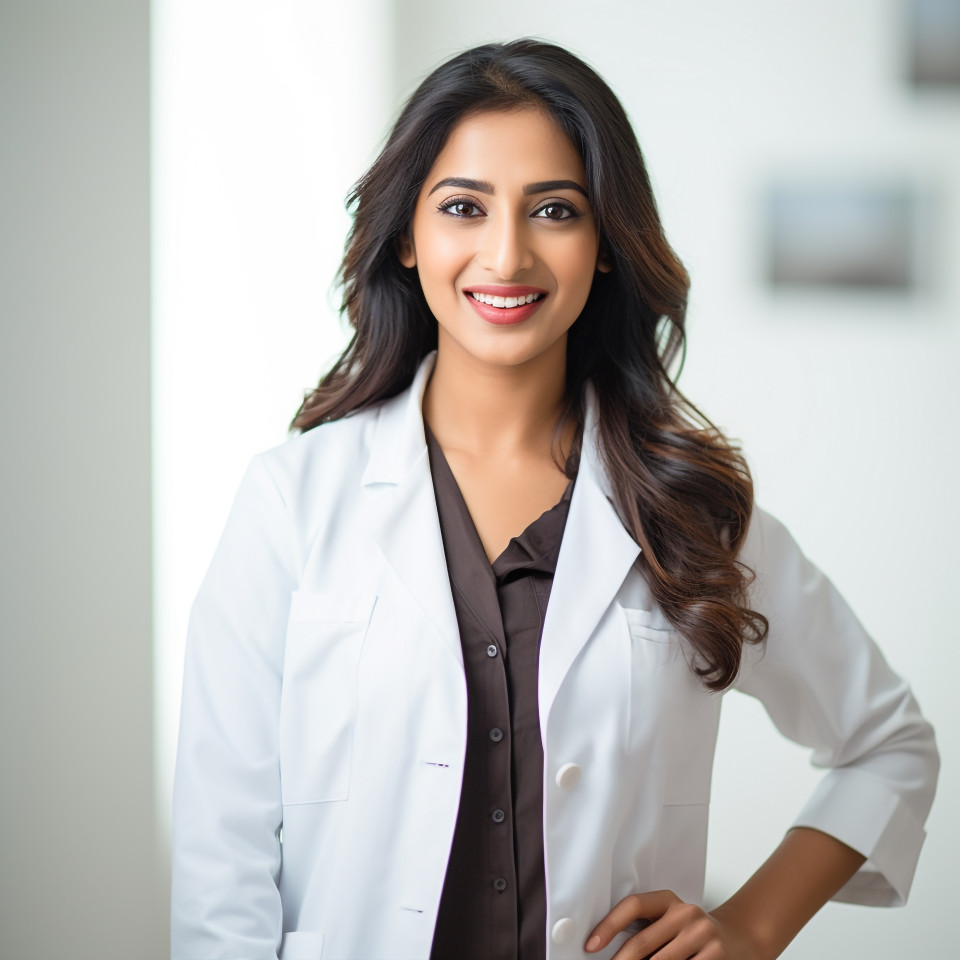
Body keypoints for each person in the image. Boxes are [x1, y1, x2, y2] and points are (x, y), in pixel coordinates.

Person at [170, 39, 938, 960]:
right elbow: (222, 866)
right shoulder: (292, 505)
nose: (507, 254)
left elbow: (888, 743)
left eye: (555, 211)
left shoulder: (687, 514)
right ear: (408, 236)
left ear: (606, 245)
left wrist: (754, 924)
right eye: (463, 207)